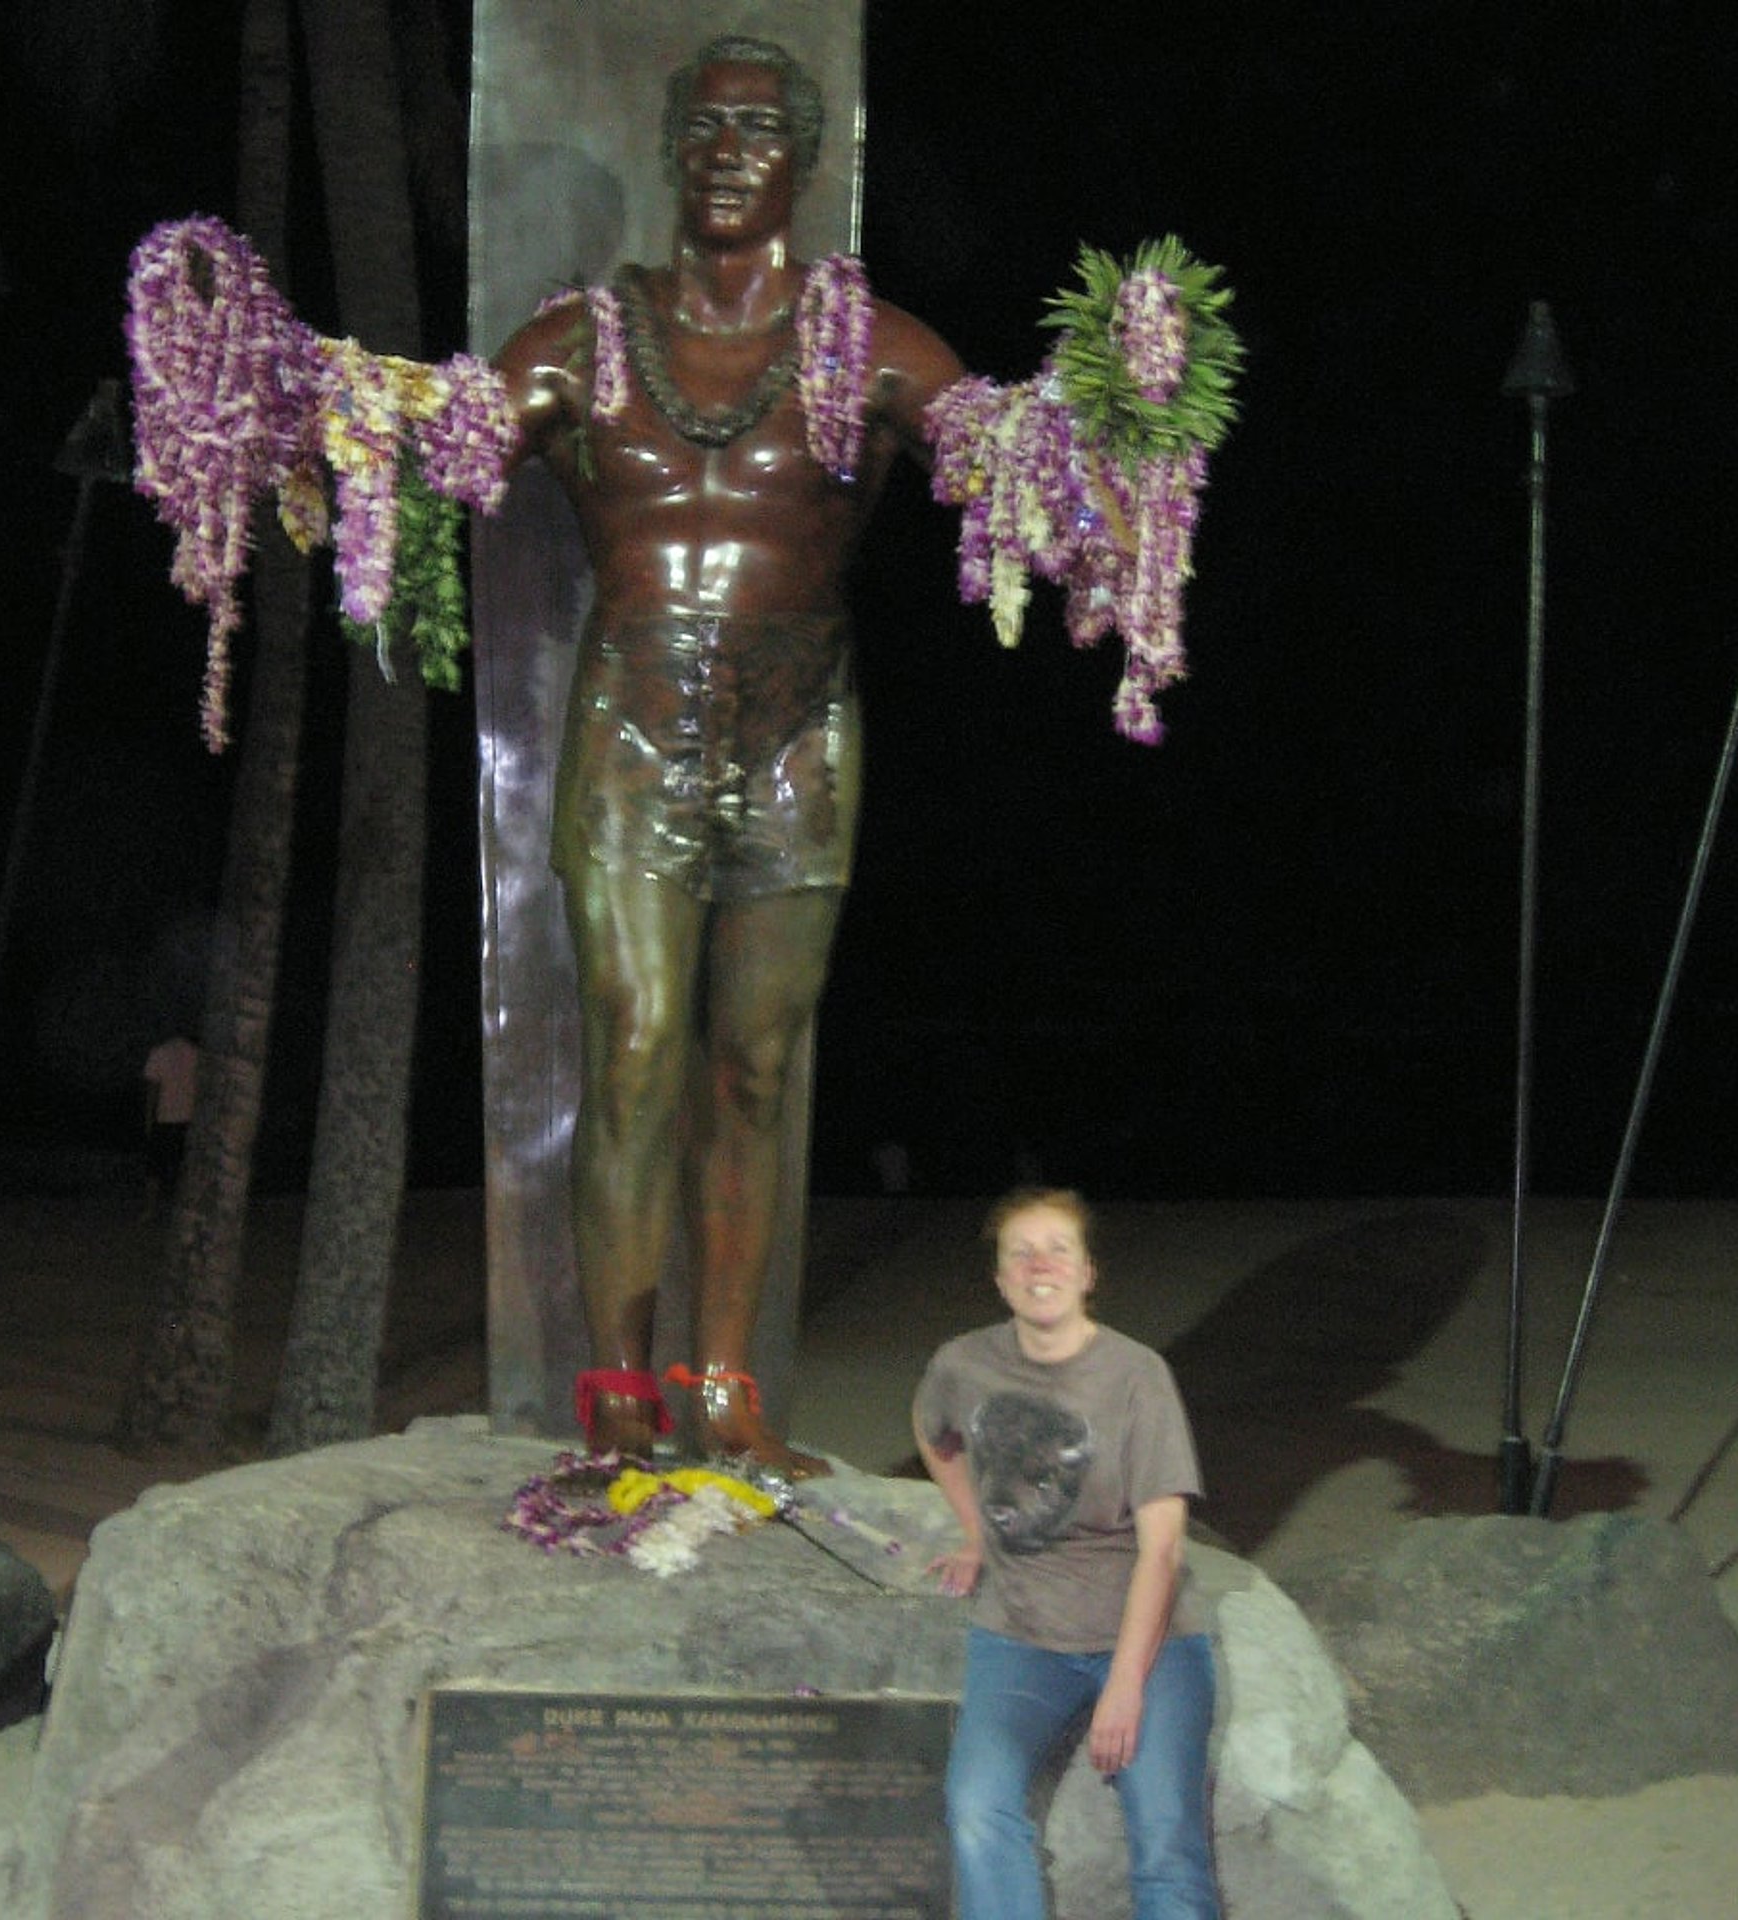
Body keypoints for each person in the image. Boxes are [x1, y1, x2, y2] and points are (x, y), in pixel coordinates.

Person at [489, 36, 965, 1476]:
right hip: (633, 711)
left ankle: (727, 1390)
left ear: (805, 160)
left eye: (759, 128)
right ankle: (619, 1398)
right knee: (635, 1050)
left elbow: (1009, 463)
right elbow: (443, 444)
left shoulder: (871, 346)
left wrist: (1114, 488)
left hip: (797, 722)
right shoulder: (580, 336)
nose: (726, 151)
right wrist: (314, 430)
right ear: (672, 152)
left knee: (753, 1068)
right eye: (702, 127)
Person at [914, 1188, 1221, 1920]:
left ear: (1088, 1274)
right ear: (999, 1279)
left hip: (1150, 1641)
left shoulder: (1135, 1376)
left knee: (1165, 1845)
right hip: (1021, 1633)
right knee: (977, 1806)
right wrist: (977, 1532)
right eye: (1020, 1252)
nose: (1038, 1264)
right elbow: (934, 1432)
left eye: (1058, 1249)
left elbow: (1164, 1549)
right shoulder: (965, 1364)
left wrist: (1125, 1683)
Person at [140, 1033, 199, 1220]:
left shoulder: (158, 1052)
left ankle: (151, 1210)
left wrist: (149, 1119)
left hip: (164, 1118)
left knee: (154, 1168)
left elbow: (152, 1090)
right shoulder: (196, 1053)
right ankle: (185, 1210)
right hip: (188, 1118)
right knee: (185, 1167)